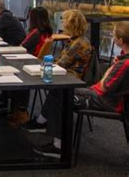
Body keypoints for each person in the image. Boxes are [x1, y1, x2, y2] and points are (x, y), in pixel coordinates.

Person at [22, 9, 92, 158]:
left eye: (64, 21)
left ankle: (59, 146)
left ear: (71, 24)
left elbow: (61, 63)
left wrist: (44, 63)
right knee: (55, 90)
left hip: (72, 82)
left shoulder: (77, 44)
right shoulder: (76, 40)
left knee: (59, 92)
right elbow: (60, 61)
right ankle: (42, 122)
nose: (62, 24)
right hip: (68, 77)